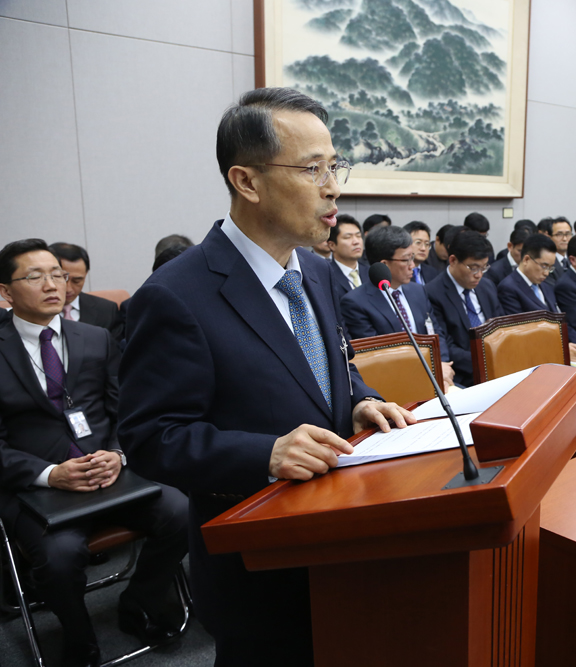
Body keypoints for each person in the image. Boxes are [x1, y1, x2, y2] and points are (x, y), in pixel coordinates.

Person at [117, 87, 416, 666]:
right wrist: (266, 453)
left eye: (335, 167)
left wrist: (359, 401)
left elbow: (332, 369)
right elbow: (150, 437)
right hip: (259, 569)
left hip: (344, 543)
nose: (333, 187)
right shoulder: (176, 295)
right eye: (311, 169)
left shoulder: (321, 273)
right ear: (246, 182)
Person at [0, 239, 188, 667]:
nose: (53, 284)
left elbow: (127, 411)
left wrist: (117, 452)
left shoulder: (95, 338)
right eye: (35, 276)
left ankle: (137, 601)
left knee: (180, 513)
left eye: (57, 275)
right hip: (38, 487)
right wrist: (50, 474)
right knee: (60, 557)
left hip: (111, 474)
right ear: (6, 292)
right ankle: (79, 637)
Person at [340, 226, 454, 386]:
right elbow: (377, 356)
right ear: (384, 265)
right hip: (395, 383)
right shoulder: (355, 302)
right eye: (406, 260)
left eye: (412, 258)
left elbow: (435, 332)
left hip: (437, 378)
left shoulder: (417, 291)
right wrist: (431, 370)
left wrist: (442, 365)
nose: (412, 265)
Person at [426, 231, 503, 387]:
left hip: (498, 366)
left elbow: (500, 326)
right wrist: (486, 360)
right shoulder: (432, 293)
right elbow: (445, 345)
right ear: (453, 260)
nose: (479, 275)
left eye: (484, 268)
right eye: (473, 268)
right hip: (463, 374)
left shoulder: (487, 287)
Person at [498, 235, 576, 363]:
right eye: (544, 266)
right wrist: (561, 349)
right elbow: (521, 334)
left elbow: (559, 321)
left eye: (550, 267)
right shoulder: (508, 288)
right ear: (527, 259)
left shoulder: (546, 286)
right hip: (534, 358)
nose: (547, 273)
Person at [47, 242, 125, 343]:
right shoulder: (31, 311)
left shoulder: (107, 311)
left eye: (77, 281)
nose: (68, 289)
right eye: (61, 279)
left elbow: (115, 353)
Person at [329, 213, 367, 303]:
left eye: (358, 236)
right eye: (348, 237)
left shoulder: (370, 273)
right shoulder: (326, 275)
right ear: (332, 245)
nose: (356, 241)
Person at [403, 220, 438, 286]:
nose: (423, 248)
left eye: (427, 244)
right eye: (418, 243)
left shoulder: (432, 272)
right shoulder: (399, 273)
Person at [538, 216, 572, 285]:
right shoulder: (544, 261)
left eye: (568, 234)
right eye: (559, 234)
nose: (565, 239)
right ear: (549, 237)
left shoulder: (575, 258)